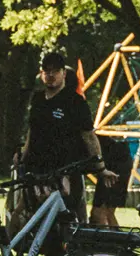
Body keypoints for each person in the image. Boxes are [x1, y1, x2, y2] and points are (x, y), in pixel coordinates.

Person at [19, 51, 111, 216]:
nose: (50, 75)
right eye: (46, 71)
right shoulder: (38, 99)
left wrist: (101, 168)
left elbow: (89, 136)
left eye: (55, 71)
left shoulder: (75, 102)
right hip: (37, 170)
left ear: (64, 73)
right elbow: (31, 132)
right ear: (41, 74)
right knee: (28, 214)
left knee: (68, 218)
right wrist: (22, 158)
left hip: (65, 172)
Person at [92, 134, 134, 226]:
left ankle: (108, 237)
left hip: (114, 162)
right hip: (117, 160)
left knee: (102, 212)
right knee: (105, 212)